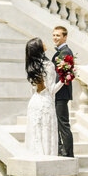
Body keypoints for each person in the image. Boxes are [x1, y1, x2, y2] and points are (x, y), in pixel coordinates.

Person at [25, 37, 62, 156]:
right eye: (42, 43)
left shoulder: (31, 66)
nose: (45, 43)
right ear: (39, 48)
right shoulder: (48, 65)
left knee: (35, 134)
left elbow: (33, 89)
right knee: (47, 133)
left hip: (34, 102)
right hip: (45, 102)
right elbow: (52, 90)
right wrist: (64, 79)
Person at [52, 26, 74, 157]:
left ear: (65, 37)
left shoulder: (66, 52)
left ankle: (68, 153)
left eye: (58, 35)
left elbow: (62, 75)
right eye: (54, 35)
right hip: (57, 92)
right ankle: (60, 150)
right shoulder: (59, 52)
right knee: (57, 122)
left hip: (60, 93)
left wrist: (52, 89)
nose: (55, 37)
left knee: (63, 124)